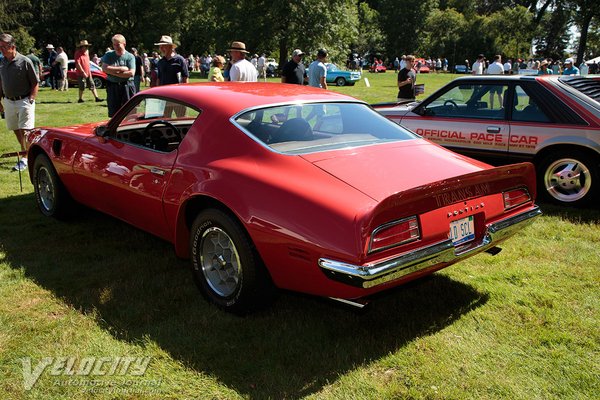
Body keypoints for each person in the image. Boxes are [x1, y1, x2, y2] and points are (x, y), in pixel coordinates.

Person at [0, 33, 39, 171]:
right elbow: (1, 82)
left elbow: (35, 83)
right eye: (0, 47)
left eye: (4, 47)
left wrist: (31, 99)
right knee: (15, 128)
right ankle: (25, 152)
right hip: (8, 101)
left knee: (26, 130)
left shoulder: (25, 61)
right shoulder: (2, 62)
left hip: (24, 100)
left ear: (13, 46)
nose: (2, 50)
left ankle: (25, 158)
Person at [101, 34, 135, 117]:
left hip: (126, 86)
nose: (116, 47)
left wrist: (111, 72)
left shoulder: (130, 57)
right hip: (112, 86)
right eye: (114, 44)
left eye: (118, 44)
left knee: (129, 111)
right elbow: (104, 68)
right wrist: (122, 69)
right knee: (114, 112)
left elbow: (131, 73)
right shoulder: (109, 55)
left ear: (124, 44)